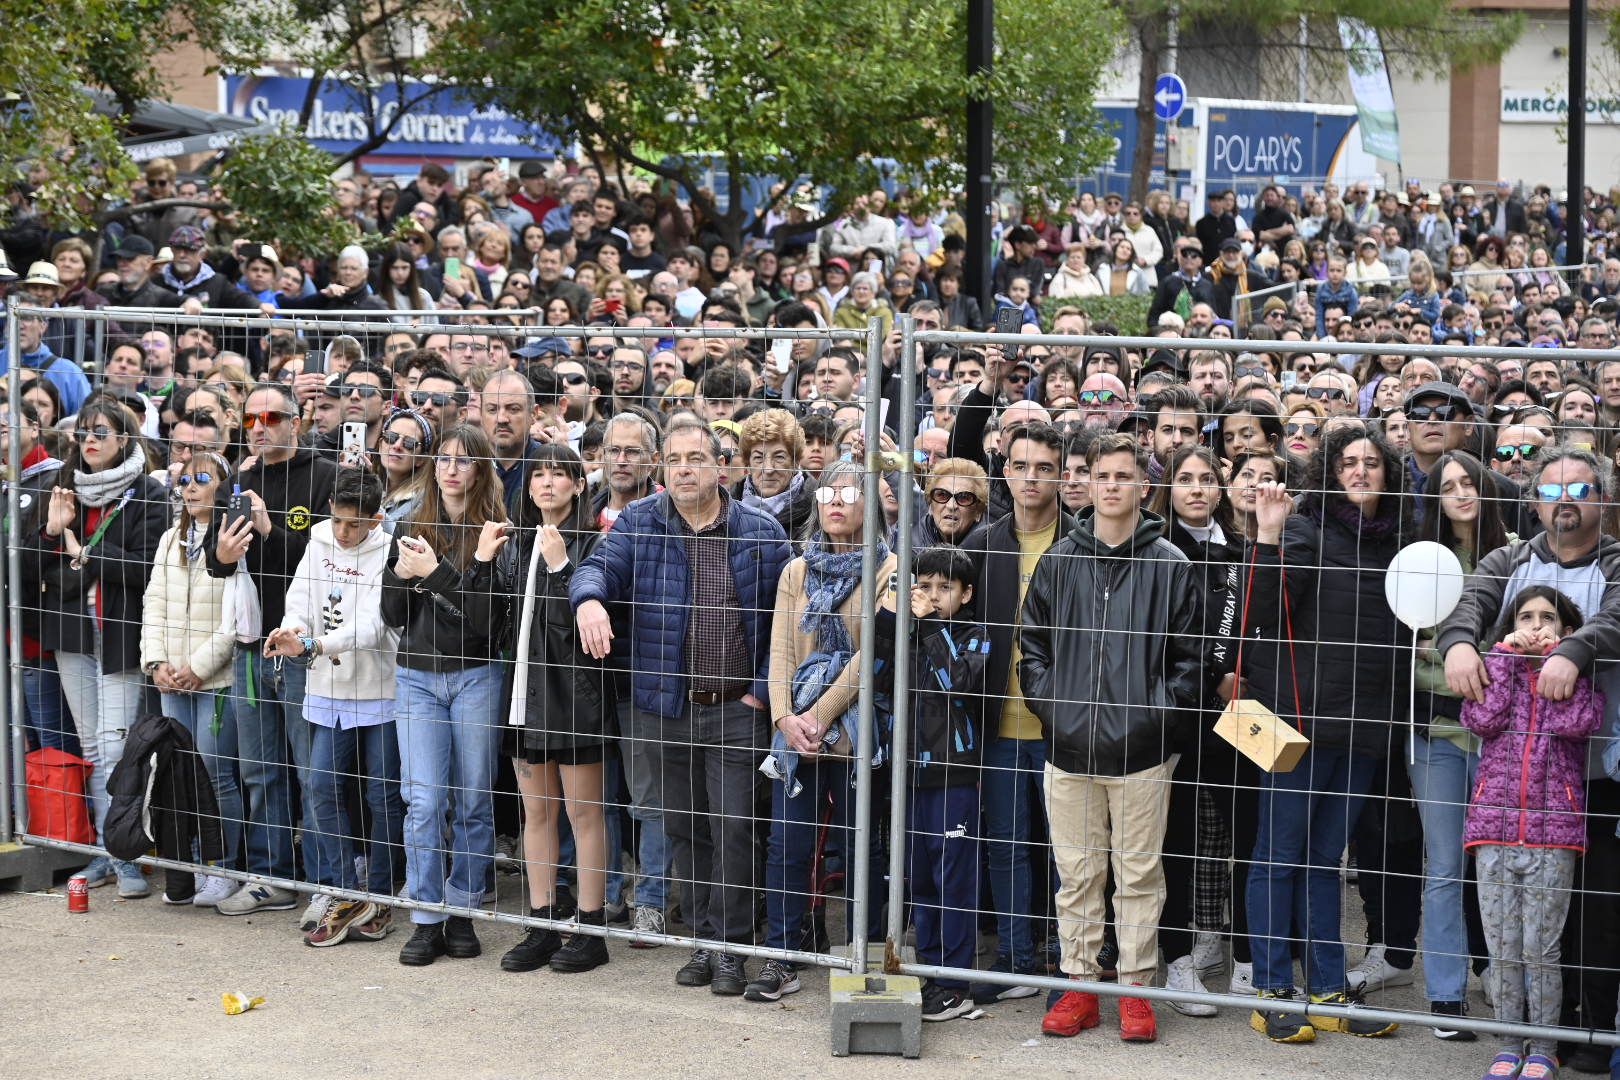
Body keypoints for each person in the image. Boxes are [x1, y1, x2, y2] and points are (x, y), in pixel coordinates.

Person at [572, 417, 790, 995]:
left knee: (736, 830)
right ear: (662, 469)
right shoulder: (640, 523)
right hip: (665, 709)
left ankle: (733, 948)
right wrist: (590, 601)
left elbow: (787, 626)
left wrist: (759, 693)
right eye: (674, 459)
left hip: (736, 709)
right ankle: (701, 941)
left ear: (720, 466)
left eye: (696, 457)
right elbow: (595, 568)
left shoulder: (761, 532)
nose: (685, 468)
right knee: (685, 831)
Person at [1021, 432, 1206, 1043]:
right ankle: (1080, 985)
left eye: (1124, 476)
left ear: (1142, 486)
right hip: (1069, 748)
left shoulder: (1171, 566)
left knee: (1139, 875)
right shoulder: (1059, 560)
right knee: (1076, 875)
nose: (1111, 486)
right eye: (1102, 476)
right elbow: (1034, 647)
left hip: (1143, 753)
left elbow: (1190, 663)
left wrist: (1156, 718)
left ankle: (1134, 988)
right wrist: (1057, 711)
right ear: (1088, 483)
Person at [1438, 447, 1620, 1055]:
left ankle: (1588, 1034)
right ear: (1534, 499)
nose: (1563, 501)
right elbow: (1470, 605)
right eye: (1551, 490)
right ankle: (1530, 1037)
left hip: (1601, 766)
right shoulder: (1509, 558)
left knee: (1596, 915)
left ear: (1603, 498)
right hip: (1523, 783)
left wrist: (1575, 649)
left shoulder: (1615, 562)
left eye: (1580, 490)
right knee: (1523, 925)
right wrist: (1461, 643)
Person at [1245, 428, 1409, 1043]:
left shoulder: (1402, 544)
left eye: (1372, 462)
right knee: (1277, 854)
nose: (1361, 472)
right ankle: (1270, 988)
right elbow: (1260, 612)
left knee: (1325, 860)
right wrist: (1266, 533)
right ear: (1330, 473)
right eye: (1348, 463)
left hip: (1364, 727)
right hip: (1296, 722)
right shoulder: (1304, 528)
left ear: (1388, 473)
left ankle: (1328, 987)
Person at [746, 459, 895, 1004]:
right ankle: (783, 955)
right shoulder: (796, 570)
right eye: (828, 490)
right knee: (788, 845)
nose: (836, 500)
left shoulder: (890, 569)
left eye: (849, 492)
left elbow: (872, 653)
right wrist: (785, 718)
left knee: (863, 849)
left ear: (870, 505)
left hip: (860, 729)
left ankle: (865, 953)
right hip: (797, 732)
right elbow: (780, 649)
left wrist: (823, 712)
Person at [205, 382, 337, 916]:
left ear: (296, 422)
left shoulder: (326, 476)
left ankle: (328, 880)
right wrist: (219, 552)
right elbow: (223, 565)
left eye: (273, 417)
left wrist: (271, 529)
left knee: (312, 771)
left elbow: (331, 561)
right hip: (254, 647)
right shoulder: (242, 476)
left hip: (306, 646)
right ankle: (272, 876)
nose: (261, 427)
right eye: (252, 419)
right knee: (260, 769)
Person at [25, 399, 167, 899]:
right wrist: (51, 530)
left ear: (125, 438)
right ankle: (107, 853)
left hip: (122, 635)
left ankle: (125, 855)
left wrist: (85, 555)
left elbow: (148, 566)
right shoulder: (57, 490)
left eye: (101, 432)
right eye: (83, 432)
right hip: (71, 634)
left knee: (115, 747)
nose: (88, 440)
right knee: (91, 748)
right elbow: (29, 571)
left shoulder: (148, 493)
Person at [1462, 587, 1604, 1080]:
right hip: (1494, 828)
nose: (1538, 625)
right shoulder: (1495, 669)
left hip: (1553, 832)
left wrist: (1556, 663)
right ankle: (1507, 1042)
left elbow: (1577, 721)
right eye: (1527, 617)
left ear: (1567, 631)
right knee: (1501, 944)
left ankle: (1543, 1047)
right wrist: (1502, 657)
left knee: (1541, 948)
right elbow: (1481, 717)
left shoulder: (1575, 679)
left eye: (1549, 618)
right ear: (1510, 626)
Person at [383, 425, 511, 966]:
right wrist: (398, 576)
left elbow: (487, 625)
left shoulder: (497, 531)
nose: (450, 469)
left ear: (481, 469)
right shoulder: (411, 524)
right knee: (425, 801)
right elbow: (393, 619)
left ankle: (463, 909)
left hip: (477, 674)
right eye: (443, 460)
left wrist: (434, 575)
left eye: (463, 461)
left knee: (474, 800)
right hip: (416, 676)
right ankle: (427, 914)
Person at [957, 419, 1075, 1001]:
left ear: (1061, 474)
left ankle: (1062, 958)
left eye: (1044, 468)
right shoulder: (981, 545)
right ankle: (1013, 957)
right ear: (1006, 471)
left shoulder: (1078, 543)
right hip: (998, 725)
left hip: (1064, 730)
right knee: (1006, 844)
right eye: (1022, 465)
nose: (1032, 478)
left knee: (1064, 852)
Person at [265, 467, 405, 947]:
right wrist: (291, 631)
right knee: (321, 786)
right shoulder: (320, 540)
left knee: (382, 796)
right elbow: (299, 598)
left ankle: (382, 894)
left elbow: (375, 626)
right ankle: (346, 891)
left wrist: (313, 646)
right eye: (338, 521)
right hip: (327, 685)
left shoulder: (389, 548)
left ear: (376, 518)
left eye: (355, 524)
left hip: (379, 688)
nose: (344, 533)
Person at [496, 444, 615, 975]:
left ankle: (590, 927)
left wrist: (561, 565)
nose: (547, 483)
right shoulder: (515, 544)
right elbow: (494, 624)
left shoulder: (595, 543)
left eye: (559, 475)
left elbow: (593, 633)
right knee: (536, 812)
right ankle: (541, 920)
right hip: (523, 695)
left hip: (575, 699)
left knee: (583, 812)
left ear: (578, 484)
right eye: (538, 474)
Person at [1409, 451, 1511, 1038]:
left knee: (1500, 864)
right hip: (1437, 735)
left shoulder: (1519, 551)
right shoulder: (1422, 562)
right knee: (1445, 865)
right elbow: (1417, 659)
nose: (1461, 493)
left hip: (1503, 736)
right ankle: (1445, 995)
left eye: (1469, 482)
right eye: (1448, 486)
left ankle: (1502, 976)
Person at [1147, 445, 1254, 1004]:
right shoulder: (1157, 550)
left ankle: (1246, 956)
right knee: (1178, 838)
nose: (1195, 488)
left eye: (1206, 479)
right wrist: (1209, 678)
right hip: (1179, 713)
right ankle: (1180, 957)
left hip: (1239, 715)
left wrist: (1238, 675)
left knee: (1244, 833)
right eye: (1184, 478)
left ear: (1221, 487)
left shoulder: (1239, 552)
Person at [871, 545, 993, 1021]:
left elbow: (957, 682)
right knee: (919, 878)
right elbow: (878, 679)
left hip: (955, 775)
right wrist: (890, 619)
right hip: (907, 773)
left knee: (954, 881)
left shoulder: (974, 633)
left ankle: (956, 982)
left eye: (946, 588)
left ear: (966, 594)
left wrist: (929, 625)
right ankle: (932, 971)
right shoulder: (910, 629)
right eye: (925, 586)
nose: (934, 596)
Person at [139, 451, 243, 908]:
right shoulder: (169, 539)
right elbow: (154, 603)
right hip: (171, 679)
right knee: (179, 775)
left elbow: (235, 616)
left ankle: (227, 867)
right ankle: (194, 864)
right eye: (183, 480)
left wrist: (199, 667)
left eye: (202, 478)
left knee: (217, 774)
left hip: (214, 679)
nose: (191, 487)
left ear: (223, 484)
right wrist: (156, 662)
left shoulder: (235, 538)